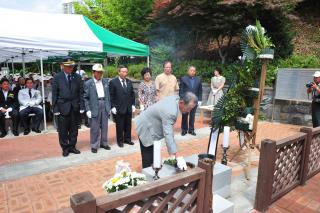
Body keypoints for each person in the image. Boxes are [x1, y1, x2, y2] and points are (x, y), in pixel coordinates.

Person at [135, 92, 198, 169]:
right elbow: (168, 134)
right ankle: (148, 176)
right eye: (188, 108)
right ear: (181, 102)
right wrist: (177, 156)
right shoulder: (171, 111)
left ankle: (154, 173)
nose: (189, 111)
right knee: (148, 157)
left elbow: (169, 130)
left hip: (151, 124)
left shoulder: (176, 98)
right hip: (146, 127)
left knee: (155, 156)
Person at [52, 57, 85, 157]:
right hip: (62, 108)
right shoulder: (57, 77)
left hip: (74, 107)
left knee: (74, 129)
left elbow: (81, 93)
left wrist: (82, 106)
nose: (70, 68)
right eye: (68, 66)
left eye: (71, 66)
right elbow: (55, 94)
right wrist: (56, 108)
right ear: (63, 66)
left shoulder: (77, 77)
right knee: (63, 130)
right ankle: (65, 148)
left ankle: (72, 146)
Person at [84, 64, 111, 153]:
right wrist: (88, 109)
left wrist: (109, 106)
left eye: (101, 72)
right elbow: (85, 97)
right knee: (95, 127)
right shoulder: (88, 83)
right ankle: (94, 145)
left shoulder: (105, 82)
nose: (100, 74)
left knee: (105, 126)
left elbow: (108, 95)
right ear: (93, 72)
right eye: (98, 72)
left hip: (104, 104)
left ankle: (104, 143)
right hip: (94, 105)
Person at [109, 65, 135, 147]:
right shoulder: (113, 82)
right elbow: (111, 95)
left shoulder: (129, 82)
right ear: (119, 72)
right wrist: (112, 106)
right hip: (119, 108)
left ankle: (127, 139)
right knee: (120, 126)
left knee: (128, 125)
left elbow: (132, 94)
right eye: (123, 71)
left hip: (128, 108)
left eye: (126, 72)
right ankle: (120, 141)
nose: (125, 73)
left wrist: (133, 105)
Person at [179, 66, 203, 136]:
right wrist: (182, 99)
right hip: (186, 101)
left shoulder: (198, 79)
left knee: (192, 116)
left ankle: (191, 130)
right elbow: (181, 90)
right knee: (184, 115)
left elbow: (200, 90)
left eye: (194, 71)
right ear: (188, 71)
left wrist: (200, 100)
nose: (192, 72)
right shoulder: (183, 79)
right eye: (191, 70)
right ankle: (184, 130)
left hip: (194, 101)